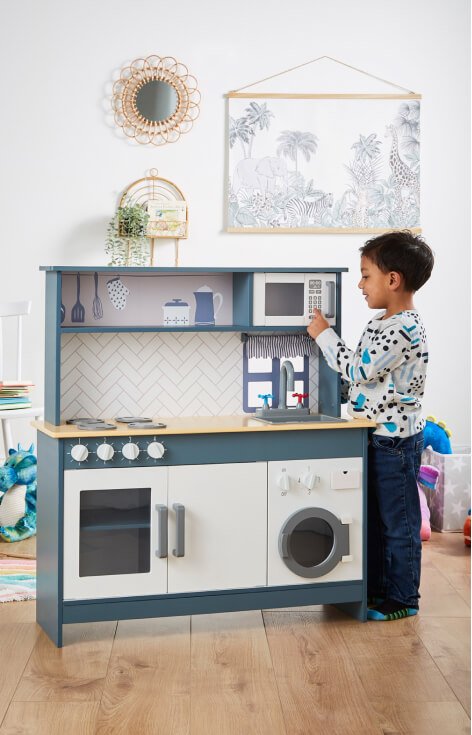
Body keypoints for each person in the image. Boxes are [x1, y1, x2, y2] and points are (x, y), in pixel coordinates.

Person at [307, 230, 434, 621]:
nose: (361, 286)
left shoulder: (403, 328)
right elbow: (367, 379)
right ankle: (379, 590)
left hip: (395, 441)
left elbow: (359, 368)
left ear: (392, 280)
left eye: (365, 276)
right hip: (376, 434)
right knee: (378, 523)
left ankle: (404, 598)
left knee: (399, 523)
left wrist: (324, 335)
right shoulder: (381, 323)